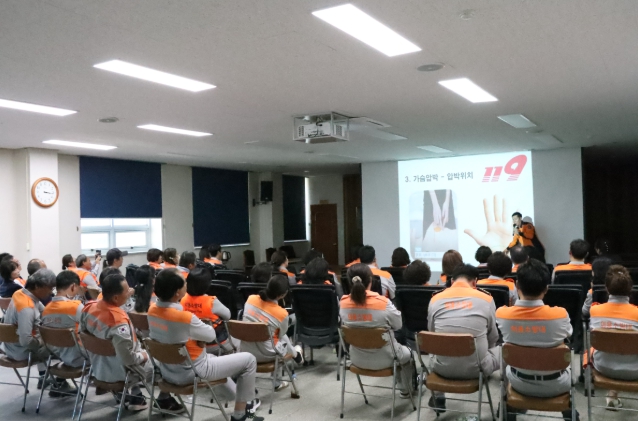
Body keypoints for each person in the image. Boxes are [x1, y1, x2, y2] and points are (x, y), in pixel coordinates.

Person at [148, 268, 262, 421]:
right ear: (177, 292)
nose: (187, 285)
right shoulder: (184, 317)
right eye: (184, 283)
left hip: (168, 371)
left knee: (214, 359)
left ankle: (242, 400)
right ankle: (241, 415)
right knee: (249, 360)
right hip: (193, 371)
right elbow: (210, 335)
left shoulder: (152, 310)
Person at [81, 273, 182, 413]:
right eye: (127, 290)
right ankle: (164, 399)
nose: (130, 292)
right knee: (166, 361)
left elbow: (83, 336)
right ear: (116, 298)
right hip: (122, 373)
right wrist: (144, 355)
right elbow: (128, 359)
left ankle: (135, 395)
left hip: (98, 369)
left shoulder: (88, 308)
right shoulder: (118, 322)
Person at [496, 259, 577, 420]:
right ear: (546, 288)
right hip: (558, 384)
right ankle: (570, 413)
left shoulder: (502, 314)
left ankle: (506, 410)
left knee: (504, 352)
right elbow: (568, 334)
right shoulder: (560, 314)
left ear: (517, 286)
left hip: (519, 382)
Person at [428, 264, 500, 412]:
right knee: (505, 350)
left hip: (441, 368)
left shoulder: (435, 299)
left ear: (452, 281)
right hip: (478, 370)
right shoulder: (486, 299)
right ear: (475, 282)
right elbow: (493, 336)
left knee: (434, 350)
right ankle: (506, 404)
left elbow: (432, 332)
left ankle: (438, 397)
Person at [340, 264, 415, 399]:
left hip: (356, 359)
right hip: (387, 359)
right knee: (409, 353)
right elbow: (398, 325)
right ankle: (405, 390)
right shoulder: (383, 303)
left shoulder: (343, 303)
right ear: (370, 280)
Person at [2, 269, 69, 390]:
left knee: (50, 338)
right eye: (50, 288)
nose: (51, 292)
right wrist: (42, 342)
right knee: (64, 345)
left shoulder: (20, 294)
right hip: (22, 352)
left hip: (10, 348)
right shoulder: (27, 308)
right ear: (38, 286)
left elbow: (45, 312)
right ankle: (59, 384)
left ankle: (44, 376)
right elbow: (26, 341)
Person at [241, 275, 304, 391]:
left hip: (245, 350)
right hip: (267, 354)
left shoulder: (250, 299)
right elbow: (281, 335)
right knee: (280, 339)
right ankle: (294, 356)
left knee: (275, 336)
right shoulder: (282, 313)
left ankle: (295, 353)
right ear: (282, 295)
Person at [589, 265, 638, 410]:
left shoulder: (595, 310)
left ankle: (612, 394)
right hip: (635, 370)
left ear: (607, 288)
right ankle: (613, 395)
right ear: (630, 289)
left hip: (603, 367)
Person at [40, 270, 85, 396]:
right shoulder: (76, 307)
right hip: (81, 358)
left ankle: (60, 383)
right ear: (73, 286)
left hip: (59, 355)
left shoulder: (46, 309)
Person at [181, 268, 233, 354]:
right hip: (215, 344)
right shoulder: (211, 301)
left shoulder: (182, 299)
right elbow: (228, 316)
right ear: (207, 285)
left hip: (191, 344)